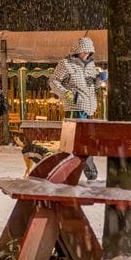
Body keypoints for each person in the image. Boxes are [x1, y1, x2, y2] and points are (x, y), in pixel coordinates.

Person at [48, 36, 100, 181]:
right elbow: (53, 81)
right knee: (78, 143)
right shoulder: (66, 64)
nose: (87, 55)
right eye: (85, 51)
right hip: (75, 108)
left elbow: (92, 87)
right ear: (78, 50)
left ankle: (79, 172)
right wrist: (66, 93)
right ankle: (85, 173)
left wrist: (99, 80)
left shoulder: (91, 65)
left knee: (84, 143)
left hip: (89, 109)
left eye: (90, 52)